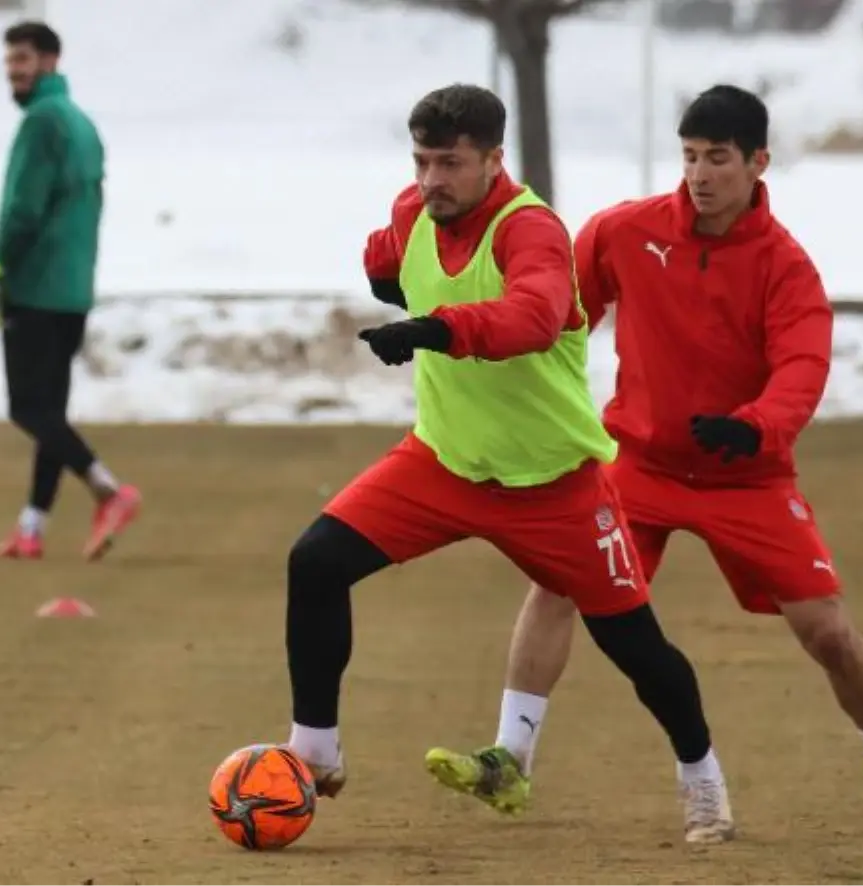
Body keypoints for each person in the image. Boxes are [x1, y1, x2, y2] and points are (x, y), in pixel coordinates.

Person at [425, 85, 863, 824]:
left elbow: (804, 365)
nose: (700, 174)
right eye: (691, 156)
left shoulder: (785, 266)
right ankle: (509, 758)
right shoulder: (625, 232)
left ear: (759, 163)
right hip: (640, 464)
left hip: (748, 475)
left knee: (826, 630)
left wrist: (758, 425)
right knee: (558, 582)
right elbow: (555, 308)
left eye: (719, 159)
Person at [284, 83, 735, 844]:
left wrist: (434, 327)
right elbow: (388, 255)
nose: (433, 180)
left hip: (554, 484)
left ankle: (705, 784)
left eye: (451, 164)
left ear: (495, 160)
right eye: (423, 161)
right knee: (315, 562)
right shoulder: (413, 210)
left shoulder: (532, 233)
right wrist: (384, 276)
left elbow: (531, 317)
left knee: (635, 645)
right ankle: (314, 752)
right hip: (444, 463)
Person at [0, 22, 140, 561]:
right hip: (72, 292)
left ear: (48, 60)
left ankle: (107, 490)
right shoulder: (82, 124)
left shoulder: (42, 122)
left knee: (28, 408)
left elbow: (21, 211)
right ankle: (31, 528)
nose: (13, 72)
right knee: (51, 411)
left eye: (21, 60)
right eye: (8, 62)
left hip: (37, 288)